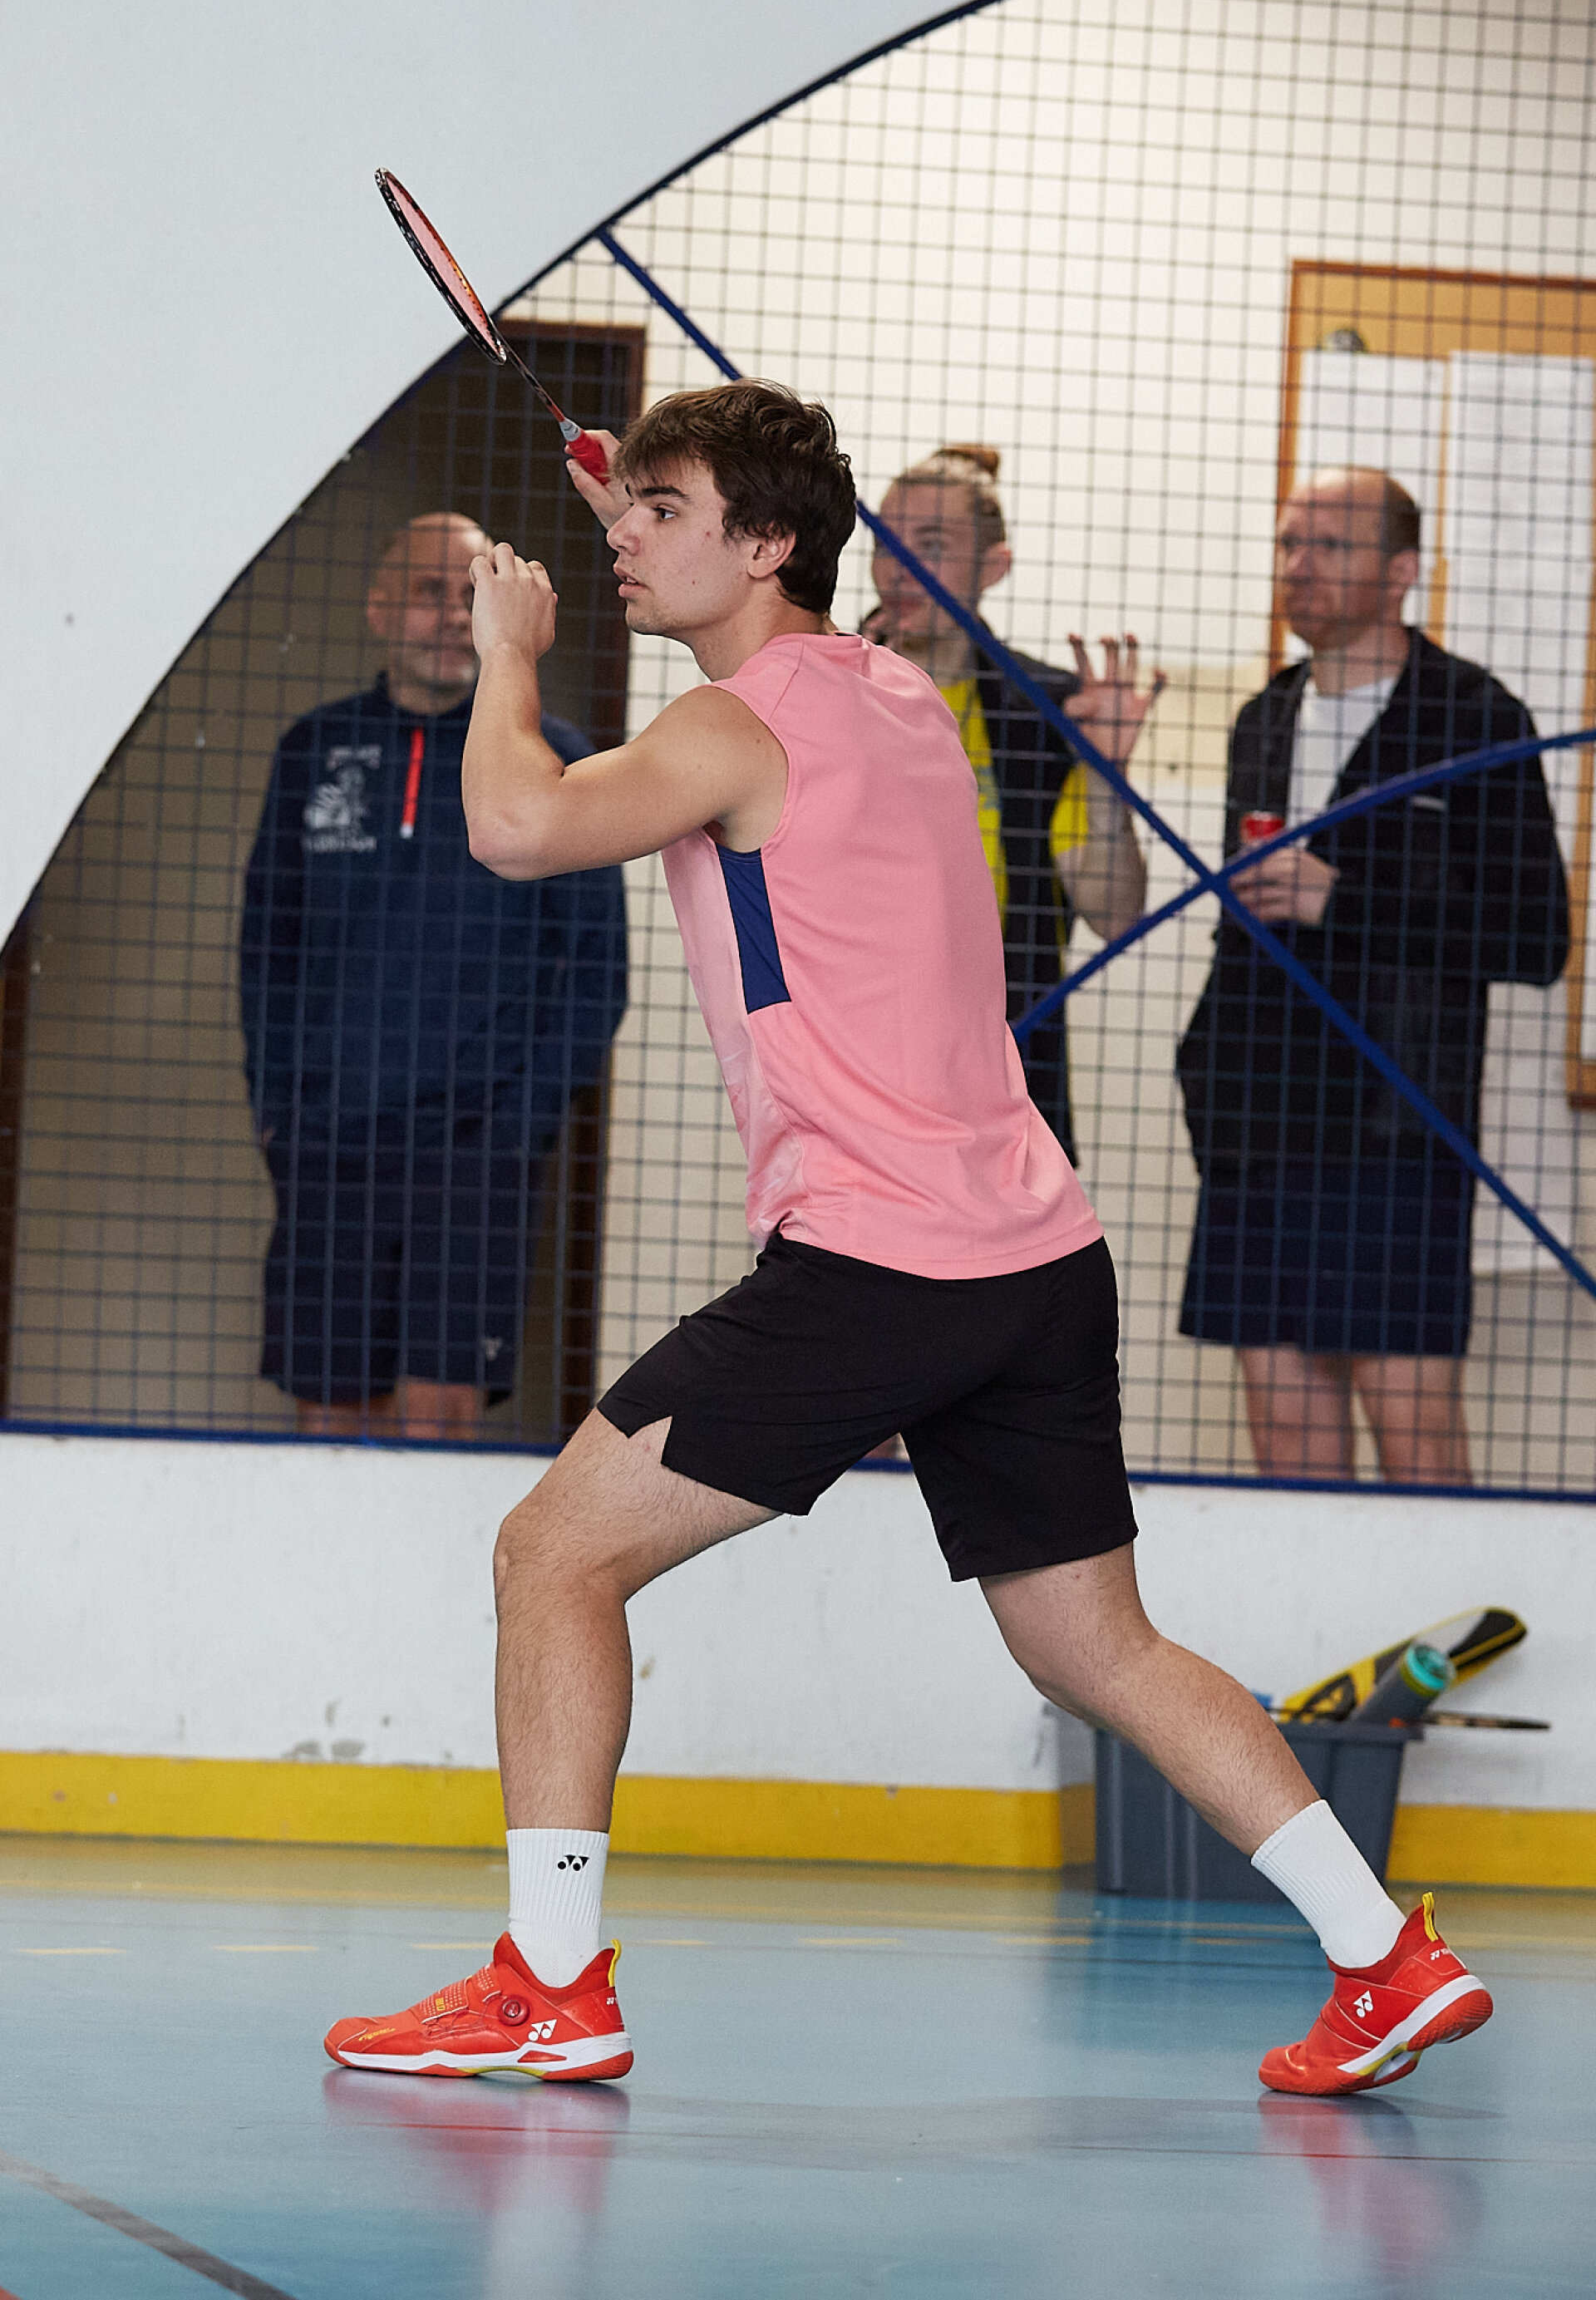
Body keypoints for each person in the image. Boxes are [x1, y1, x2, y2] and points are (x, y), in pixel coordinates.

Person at [324, 387, 1492, 2096]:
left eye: (665, 513)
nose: (629, 536)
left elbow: (516, 825)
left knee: (553, 1554)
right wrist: (645, 510)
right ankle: (1384, 1957)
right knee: (1097, 1647)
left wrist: (513, 652)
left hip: (880, 1259)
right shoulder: (894, 693)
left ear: (769, 543)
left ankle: (550, 1985)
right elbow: (753, 620)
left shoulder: (733, 726)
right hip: (1037, 1255)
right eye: (627, 508)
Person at [1177, 468, 1569, 1484]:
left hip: (1393, 1125)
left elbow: (1537, 940)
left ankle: (1440, 1601)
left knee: (1413, 1431)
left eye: (1331, 547)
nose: (1298, 566)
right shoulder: (1265, 716)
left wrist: (1341, 899)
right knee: (1286, 1435)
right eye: (1288, 544)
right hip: (1255, 1120)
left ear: (1401, 573)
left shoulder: (1475, 716)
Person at [239, 512, 628, 1439]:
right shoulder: (314, 749)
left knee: (439, 1415)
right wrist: (281, 1111)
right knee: (329, 1413)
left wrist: (516, 1130)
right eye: (427, 592)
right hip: (328, 1140)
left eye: (470, 596)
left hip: (475, 1151)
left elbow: (596, 972)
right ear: (379, 608)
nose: (453, 616)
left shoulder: (558, 759)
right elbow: (267, 948)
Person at [868, 446, 1160, 1158]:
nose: (897, 568)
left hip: (1005, 1072)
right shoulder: (825, 688)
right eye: (883, 543)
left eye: (931, 545)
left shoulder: (1048, 709)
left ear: (993, 567)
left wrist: (1106, 772)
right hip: (859, 1064)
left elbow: (1114, 914)